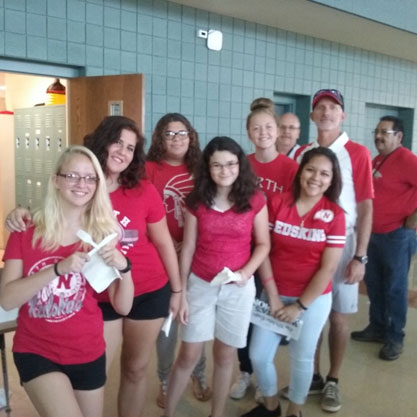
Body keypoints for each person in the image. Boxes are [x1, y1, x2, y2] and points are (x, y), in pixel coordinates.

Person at [5, 116, 182, 417]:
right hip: (90, 303)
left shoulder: (135, 195)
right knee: (93, 369)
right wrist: (22, 214)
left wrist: (177, 289)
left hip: (144, 287)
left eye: (130, 148)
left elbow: (164, 243)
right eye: (118, 142)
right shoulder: (70, 202)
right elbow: (51, 215)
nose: (123, 152)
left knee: (134, 369)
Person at [0, 145, 134, 417]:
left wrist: (125, 267)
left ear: (97, 185)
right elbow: (6, 299)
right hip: (37, 350)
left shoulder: (102, 234)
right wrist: (57, 269)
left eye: (89, 177)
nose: (81, 184)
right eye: (72, 175)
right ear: (55, 180)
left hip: (88, 350)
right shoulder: (26, 231)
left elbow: (124, 307)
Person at [164, 136, 270, 417]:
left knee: (224, 356)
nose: (225, 171)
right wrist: (182, 292)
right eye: (217, 165)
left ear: (240, 165)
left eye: (231, 164)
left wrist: (245, 274)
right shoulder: (197, 201)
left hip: (238, 287)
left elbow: (263, 244)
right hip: (201, 284)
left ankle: (217, 413)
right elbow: (187, 248)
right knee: (188, 355)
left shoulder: (254, 199)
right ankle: (168, 413)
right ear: (207, 168)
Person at [243, 147, 345, 417]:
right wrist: (274, 296)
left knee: (302, 358)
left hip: (312, 301)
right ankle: (272, 406)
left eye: (325, 173)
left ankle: (294, 411)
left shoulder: (335, 215)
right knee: (259, 356)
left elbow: (328, 268)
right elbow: (264, 250)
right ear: (301, 172)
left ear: (332, 179)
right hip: (274, 293)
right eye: (311, 169)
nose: (316, 178)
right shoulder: (277, 202)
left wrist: (299, 306)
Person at [293, 89, 373, 412]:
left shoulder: (357, 152)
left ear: (343, 116)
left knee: (339, 317)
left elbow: (366, 205)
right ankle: (311, 376)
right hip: (307, 243)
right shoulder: (303, 153)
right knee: (309, 312)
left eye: (333, 108)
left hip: (343, 244)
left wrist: (360, 255)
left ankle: (332, 380)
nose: (326, 112)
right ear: (311, 116)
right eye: (320, 108)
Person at [230, 99, 298, 401]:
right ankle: (245, 371)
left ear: (278, 131)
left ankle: (264, 376)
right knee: (242, 316)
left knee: (267, 317)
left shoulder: (292, 169)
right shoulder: (241, 164)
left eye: (268, 127)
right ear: (248, 132)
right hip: (245, 253)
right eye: (256, 128)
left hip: (278, 254)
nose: (263, 132)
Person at [146, 113, 211, 407]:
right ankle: (164, 379)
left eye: (182, 132)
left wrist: (192, 241)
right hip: (162, 257)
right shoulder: (148, 169)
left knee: (196, 321)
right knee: (168, 324)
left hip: (198, 256)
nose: (176, 138)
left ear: (192, 136)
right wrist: (167, 241)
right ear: (160, 138)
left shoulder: (202, 169)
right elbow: (141, 210)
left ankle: (198, 372)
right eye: (169, 134)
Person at [351, 116, 417, 360]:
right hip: (373, 235)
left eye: (384, 132)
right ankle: (377, 327)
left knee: (395, 288)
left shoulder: (407, 159)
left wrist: (414, 219)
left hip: (397, 236)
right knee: (375, 284)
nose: (378, 136)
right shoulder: (378, 159)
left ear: (398, 136)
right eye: (376, 131)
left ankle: (395, 336)